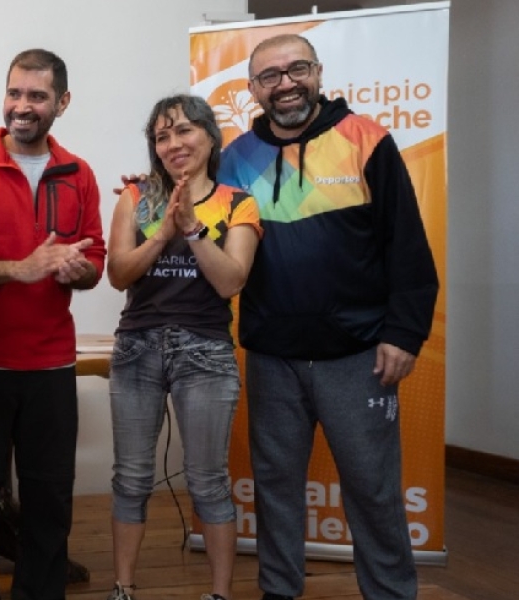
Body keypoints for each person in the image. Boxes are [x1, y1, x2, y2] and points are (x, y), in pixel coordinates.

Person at [218, 34, 438, 600]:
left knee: (372, 488)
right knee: (274, 488)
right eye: (270, 76)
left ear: (318, 73)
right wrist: (145, 204)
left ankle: (390, 593)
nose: (285, 83)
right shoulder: (237, 157)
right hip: (271, 355)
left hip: (360, 353)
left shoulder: (366, 140)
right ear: (253, 89)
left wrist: (403, 333)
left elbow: (408, 247)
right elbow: (203, 236)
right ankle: (279, 591)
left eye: (297, 70)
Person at [0, 48, 104, 600]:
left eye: (36, 96)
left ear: (62, 101)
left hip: (52, 364)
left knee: (50, 500)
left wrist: (80, 271)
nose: (22, 106)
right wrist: (22, 268)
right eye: (15, 93)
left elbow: (96, 261)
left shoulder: (79, 174)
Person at [105, 94, 261, 600]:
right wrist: (162, 233)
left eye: (185, 131)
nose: (174, 143)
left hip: (206, 354)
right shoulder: (135, 197)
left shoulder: (239, 203)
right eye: (162, 135)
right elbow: (118, 274)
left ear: (211, 137)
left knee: (208, 481)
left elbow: (230, 282)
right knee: (131, 477)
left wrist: (193, 228)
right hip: (137, 350)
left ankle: (218, 594)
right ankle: (123, 588)